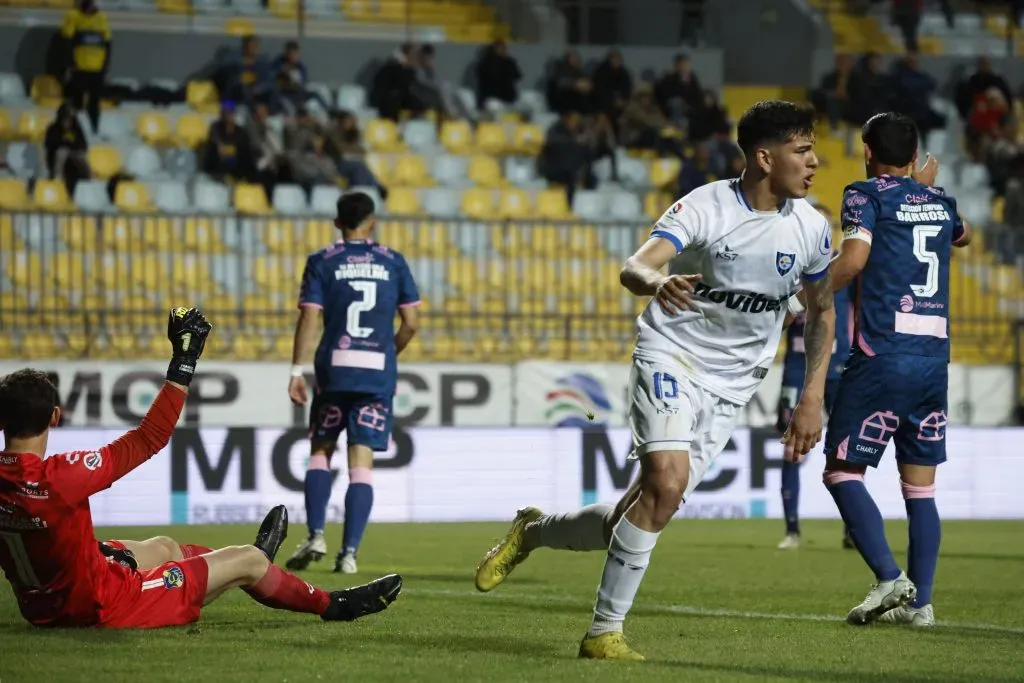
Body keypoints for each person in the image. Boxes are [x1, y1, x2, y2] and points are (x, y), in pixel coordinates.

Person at [475, 101, 836, 660]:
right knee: (666, 486)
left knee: (639, 511)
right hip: (671, 353)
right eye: (803, 150)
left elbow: (822, 312)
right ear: (765, 157)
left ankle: (533, 530)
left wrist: (812, 395)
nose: (816, 161)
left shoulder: (812, 228)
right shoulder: (707, 205)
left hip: (733, 383)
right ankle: (603, 633)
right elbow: (636, 265)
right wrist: (655, 282)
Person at [0, 308, 402, 629]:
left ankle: (246, 567)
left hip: (43, 606)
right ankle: (333, 604)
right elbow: (149, 437)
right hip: (101, 606)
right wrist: (184, 361)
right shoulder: (62, 477)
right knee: (245, 560)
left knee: (164, 547)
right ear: (55, 417)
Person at [808, 112, 970, 628]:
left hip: (882, 355)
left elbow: (853, 261)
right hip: (933, 359)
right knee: (920, 488)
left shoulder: (864, 194)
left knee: (840, 470)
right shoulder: (942, 201)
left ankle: (888, 578)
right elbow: (965, 236)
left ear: (867, 150)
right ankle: (921, 605)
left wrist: (804, 298)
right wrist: (921, 190)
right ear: (916, 154)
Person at [286, 192, 421, 574]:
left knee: (320, 452)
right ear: (373, 221)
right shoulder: (393, 261)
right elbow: (411, 323)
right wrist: (388, 354)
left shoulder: (322, 261)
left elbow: (310, 318)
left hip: (335, 371)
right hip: (375, 374)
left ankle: (315, 533)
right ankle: (349, 554)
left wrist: (297, 371)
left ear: (336, 222)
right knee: (361, 465)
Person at [776, 204, 854, 551]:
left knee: (847, 450)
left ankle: (852, 529)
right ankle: (792, 531)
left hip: (840, 367)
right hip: (797, 368)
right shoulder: (786, 264)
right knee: (792, 450)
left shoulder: (846, 267)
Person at [59, 0, 111, 135]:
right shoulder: (72, 16)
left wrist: (105, 65)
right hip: (79, 68)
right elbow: (66, 42)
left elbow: (107, 43)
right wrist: (70, 64)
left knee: (94, 103)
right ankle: (75, 132)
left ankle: (95, 130)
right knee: (76, 102)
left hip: (97, 69)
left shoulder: (102, 18)